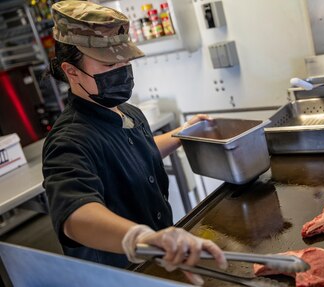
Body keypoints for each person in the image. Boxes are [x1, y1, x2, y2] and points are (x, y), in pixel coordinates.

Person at [42, 1, 226, 285]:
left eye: (125, 61)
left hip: (156, 262)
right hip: (120, 274)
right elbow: (74, 213)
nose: (122, 70)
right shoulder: (69, 139)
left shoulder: (128, 112)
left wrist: (180, 133)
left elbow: (136, 149)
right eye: (109, 64)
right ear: (72, 71)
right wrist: (142, 238)